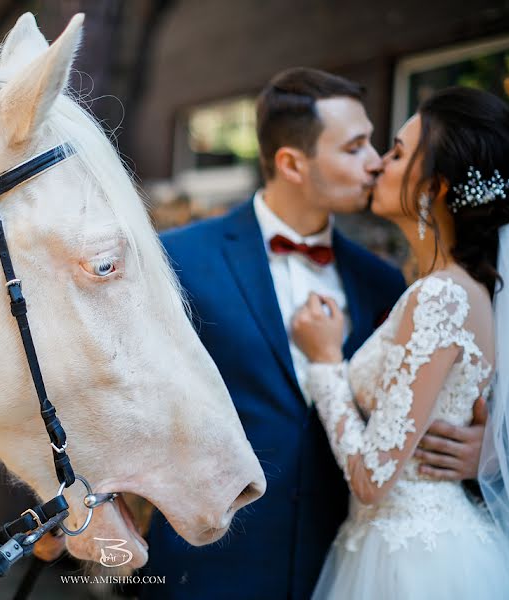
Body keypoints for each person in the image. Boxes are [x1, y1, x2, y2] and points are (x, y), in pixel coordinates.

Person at [140, 69, 486, 599]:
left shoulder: (384, 282)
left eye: (375, 142)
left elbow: (429, 399)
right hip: (209, 568)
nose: (375, 160)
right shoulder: (179, 259)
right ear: (292, 163)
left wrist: (484, 451)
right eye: (354, 147)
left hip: (343, 567)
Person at [292, 85, 509, 598]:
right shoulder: (457, 289)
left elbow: (373, 477)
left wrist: (326, 362)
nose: (378, 165)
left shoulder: (441, 296)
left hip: (416, 561)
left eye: (395, 153)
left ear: (432, 187)